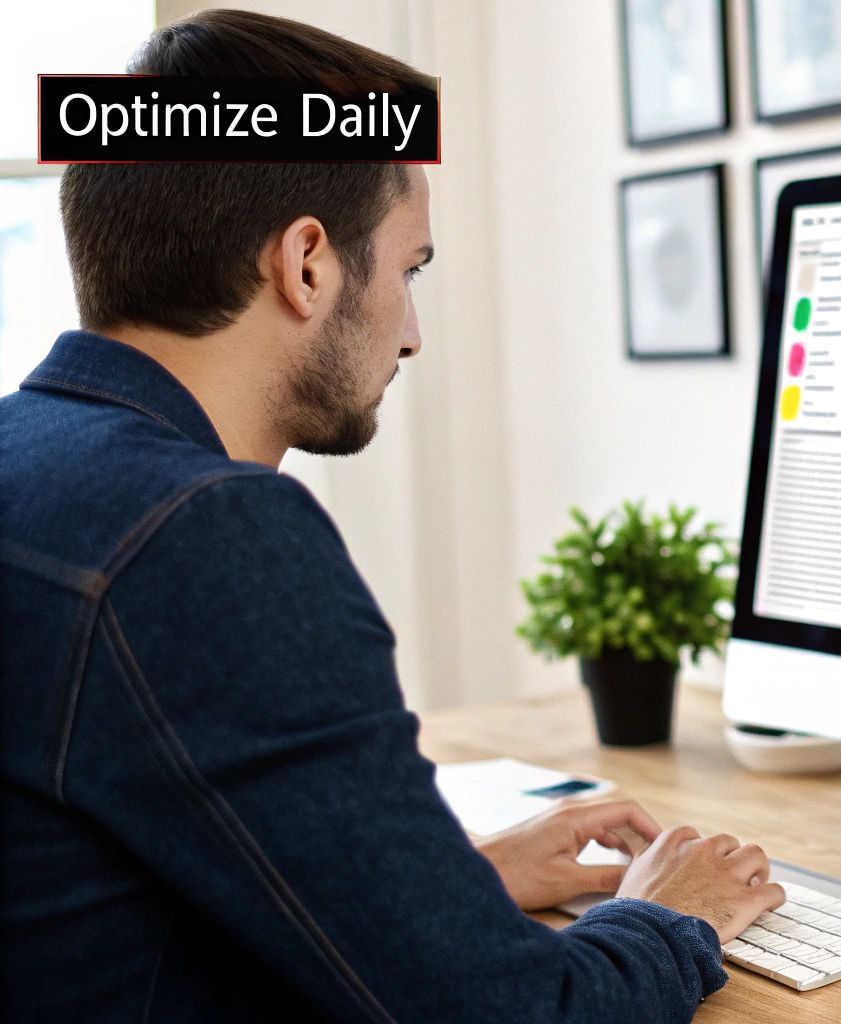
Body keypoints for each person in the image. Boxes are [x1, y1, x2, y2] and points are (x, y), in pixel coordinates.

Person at [0, 12, 781, 1023]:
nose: (410, 335)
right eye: (408, 269)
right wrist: (672, 917)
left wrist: (448, 889)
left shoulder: (28, 461)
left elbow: (115, 895)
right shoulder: (210, 534)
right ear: (308, 264)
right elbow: (509, 1016)